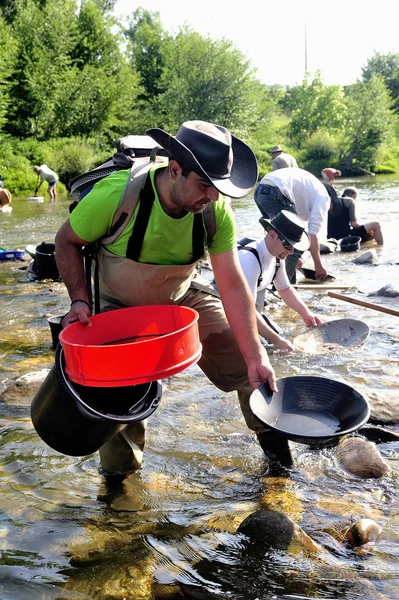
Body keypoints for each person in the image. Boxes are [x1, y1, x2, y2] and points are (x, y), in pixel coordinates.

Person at [55, 120, 283, 477]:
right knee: (120, 403)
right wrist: (79, 301)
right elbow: (65, 242)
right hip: (115, 304)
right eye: (204, 185)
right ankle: (121, 496)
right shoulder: (117, 196)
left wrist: (257, 353)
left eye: (218, 188)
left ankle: (280, 468)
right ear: (174, 169)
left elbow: (233, 286)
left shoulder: (213, 211)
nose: (212, 196)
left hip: (179, 297)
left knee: (249, 365)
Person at [237, 211, 322, 351]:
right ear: (272, 235)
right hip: (231, 311)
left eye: (294, 248)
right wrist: (276, 340)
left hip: (252, 309)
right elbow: (246, 311)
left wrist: (307, 314)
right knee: (272, 348)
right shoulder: (249, 259)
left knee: (283, 339)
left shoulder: (277, 256)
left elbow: (285, 289)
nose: (290, 252)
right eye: (288, 245)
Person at [253, 167, 330, 283]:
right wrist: (318, 265)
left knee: (273, 240)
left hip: (261, 190)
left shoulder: (311, 192)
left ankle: (262, 279)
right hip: (277, 190)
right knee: (293, 244)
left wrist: (295, 259)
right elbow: (312, 236)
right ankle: (283, 288)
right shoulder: (324, 199)